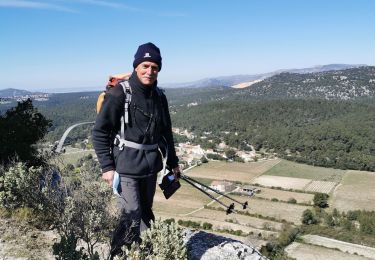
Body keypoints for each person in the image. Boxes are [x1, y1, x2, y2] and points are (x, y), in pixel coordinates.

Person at [92, 42, 181, 256]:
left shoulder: (159, 96)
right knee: (131, 215)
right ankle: (118, 254)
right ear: (136, 67)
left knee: (145, 213)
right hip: (126, 167)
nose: (150, 71)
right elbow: (100, 132)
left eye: (154, 67)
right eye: (145, 66)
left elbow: (165, 132)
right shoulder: (120, 94)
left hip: (150, 168)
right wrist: (107, 167)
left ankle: (144, 252)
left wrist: (173, 163)